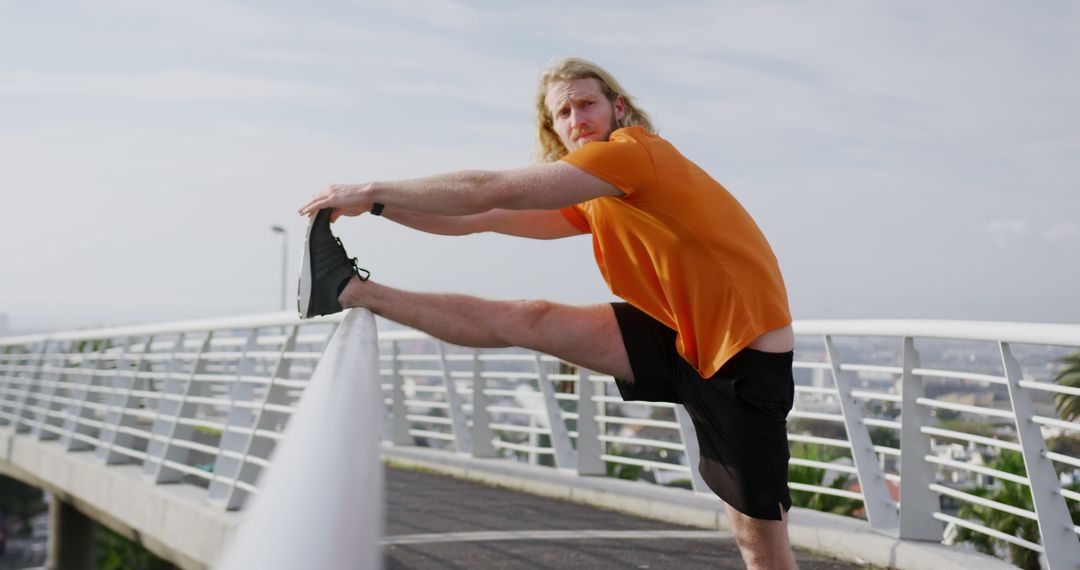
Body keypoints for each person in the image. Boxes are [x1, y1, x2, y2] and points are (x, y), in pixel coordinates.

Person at [298, 57, 798, 570]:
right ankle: (350, 290)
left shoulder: (632, 155)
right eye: (564, 111)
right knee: (530, 318)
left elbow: (485, 189)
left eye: (587, 104)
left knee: (763, 549)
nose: (577, 118)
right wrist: (377, 209)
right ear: (553, 126)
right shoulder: (594, 195)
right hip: (680, 337)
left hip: (741, 355)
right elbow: (480, 216)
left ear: (616, 108)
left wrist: (370, 189)